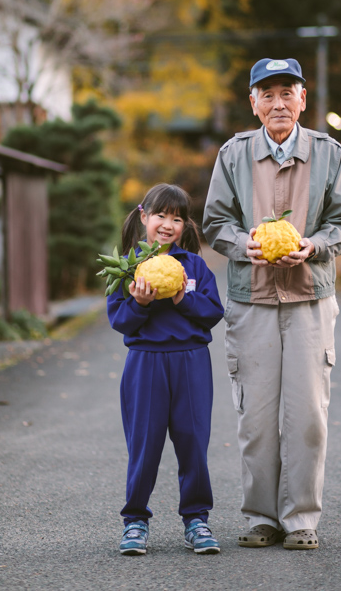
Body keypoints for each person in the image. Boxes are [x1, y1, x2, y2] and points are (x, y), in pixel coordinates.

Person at [203, 57, 341, 550]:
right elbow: (213, 221)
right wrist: (240, 244)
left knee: (308, 415)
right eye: (266, 94)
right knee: (255, 417)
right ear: (253, 103)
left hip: (310, 298)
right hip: (251, 300)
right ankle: (260, 518)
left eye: (286, 92)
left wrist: (313, 246)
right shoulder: (232, 154)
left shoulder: (330, 153)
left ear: (303, 99)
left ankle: (301, 521)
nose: (277, 103)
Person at [107, 183, 224, 556]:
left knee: (193, 442)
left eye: (177, 218)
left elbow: (213, 312)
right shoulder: (128, 268)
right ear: (144, 217)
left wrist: (181, 297)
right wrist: (140, 304)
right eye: (160, 215)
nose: (168, 224)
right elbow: (120, 320)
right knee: (144, 444)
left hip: (190, 361)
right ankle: (135, 521)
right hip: (145, 363)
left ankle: (196, 519)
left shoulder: (194, 266)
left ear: (185, 225)